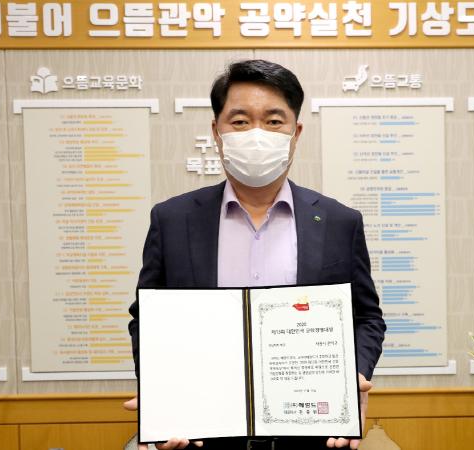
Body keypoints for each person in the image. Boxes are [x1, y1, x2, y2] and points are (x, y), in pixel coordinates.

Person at [126, 59, 386, 450]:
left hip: (311, 437)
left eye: (274, 121)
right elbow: (147, 319)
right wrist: (161, 391)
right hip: (202, 436)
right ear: (216, 132)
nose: (257, 134)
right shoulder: (173, 219)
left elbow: (366, 317)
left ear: (296, 132)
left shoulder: (339, 221)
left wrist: (355, 375)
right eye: (241, 121)